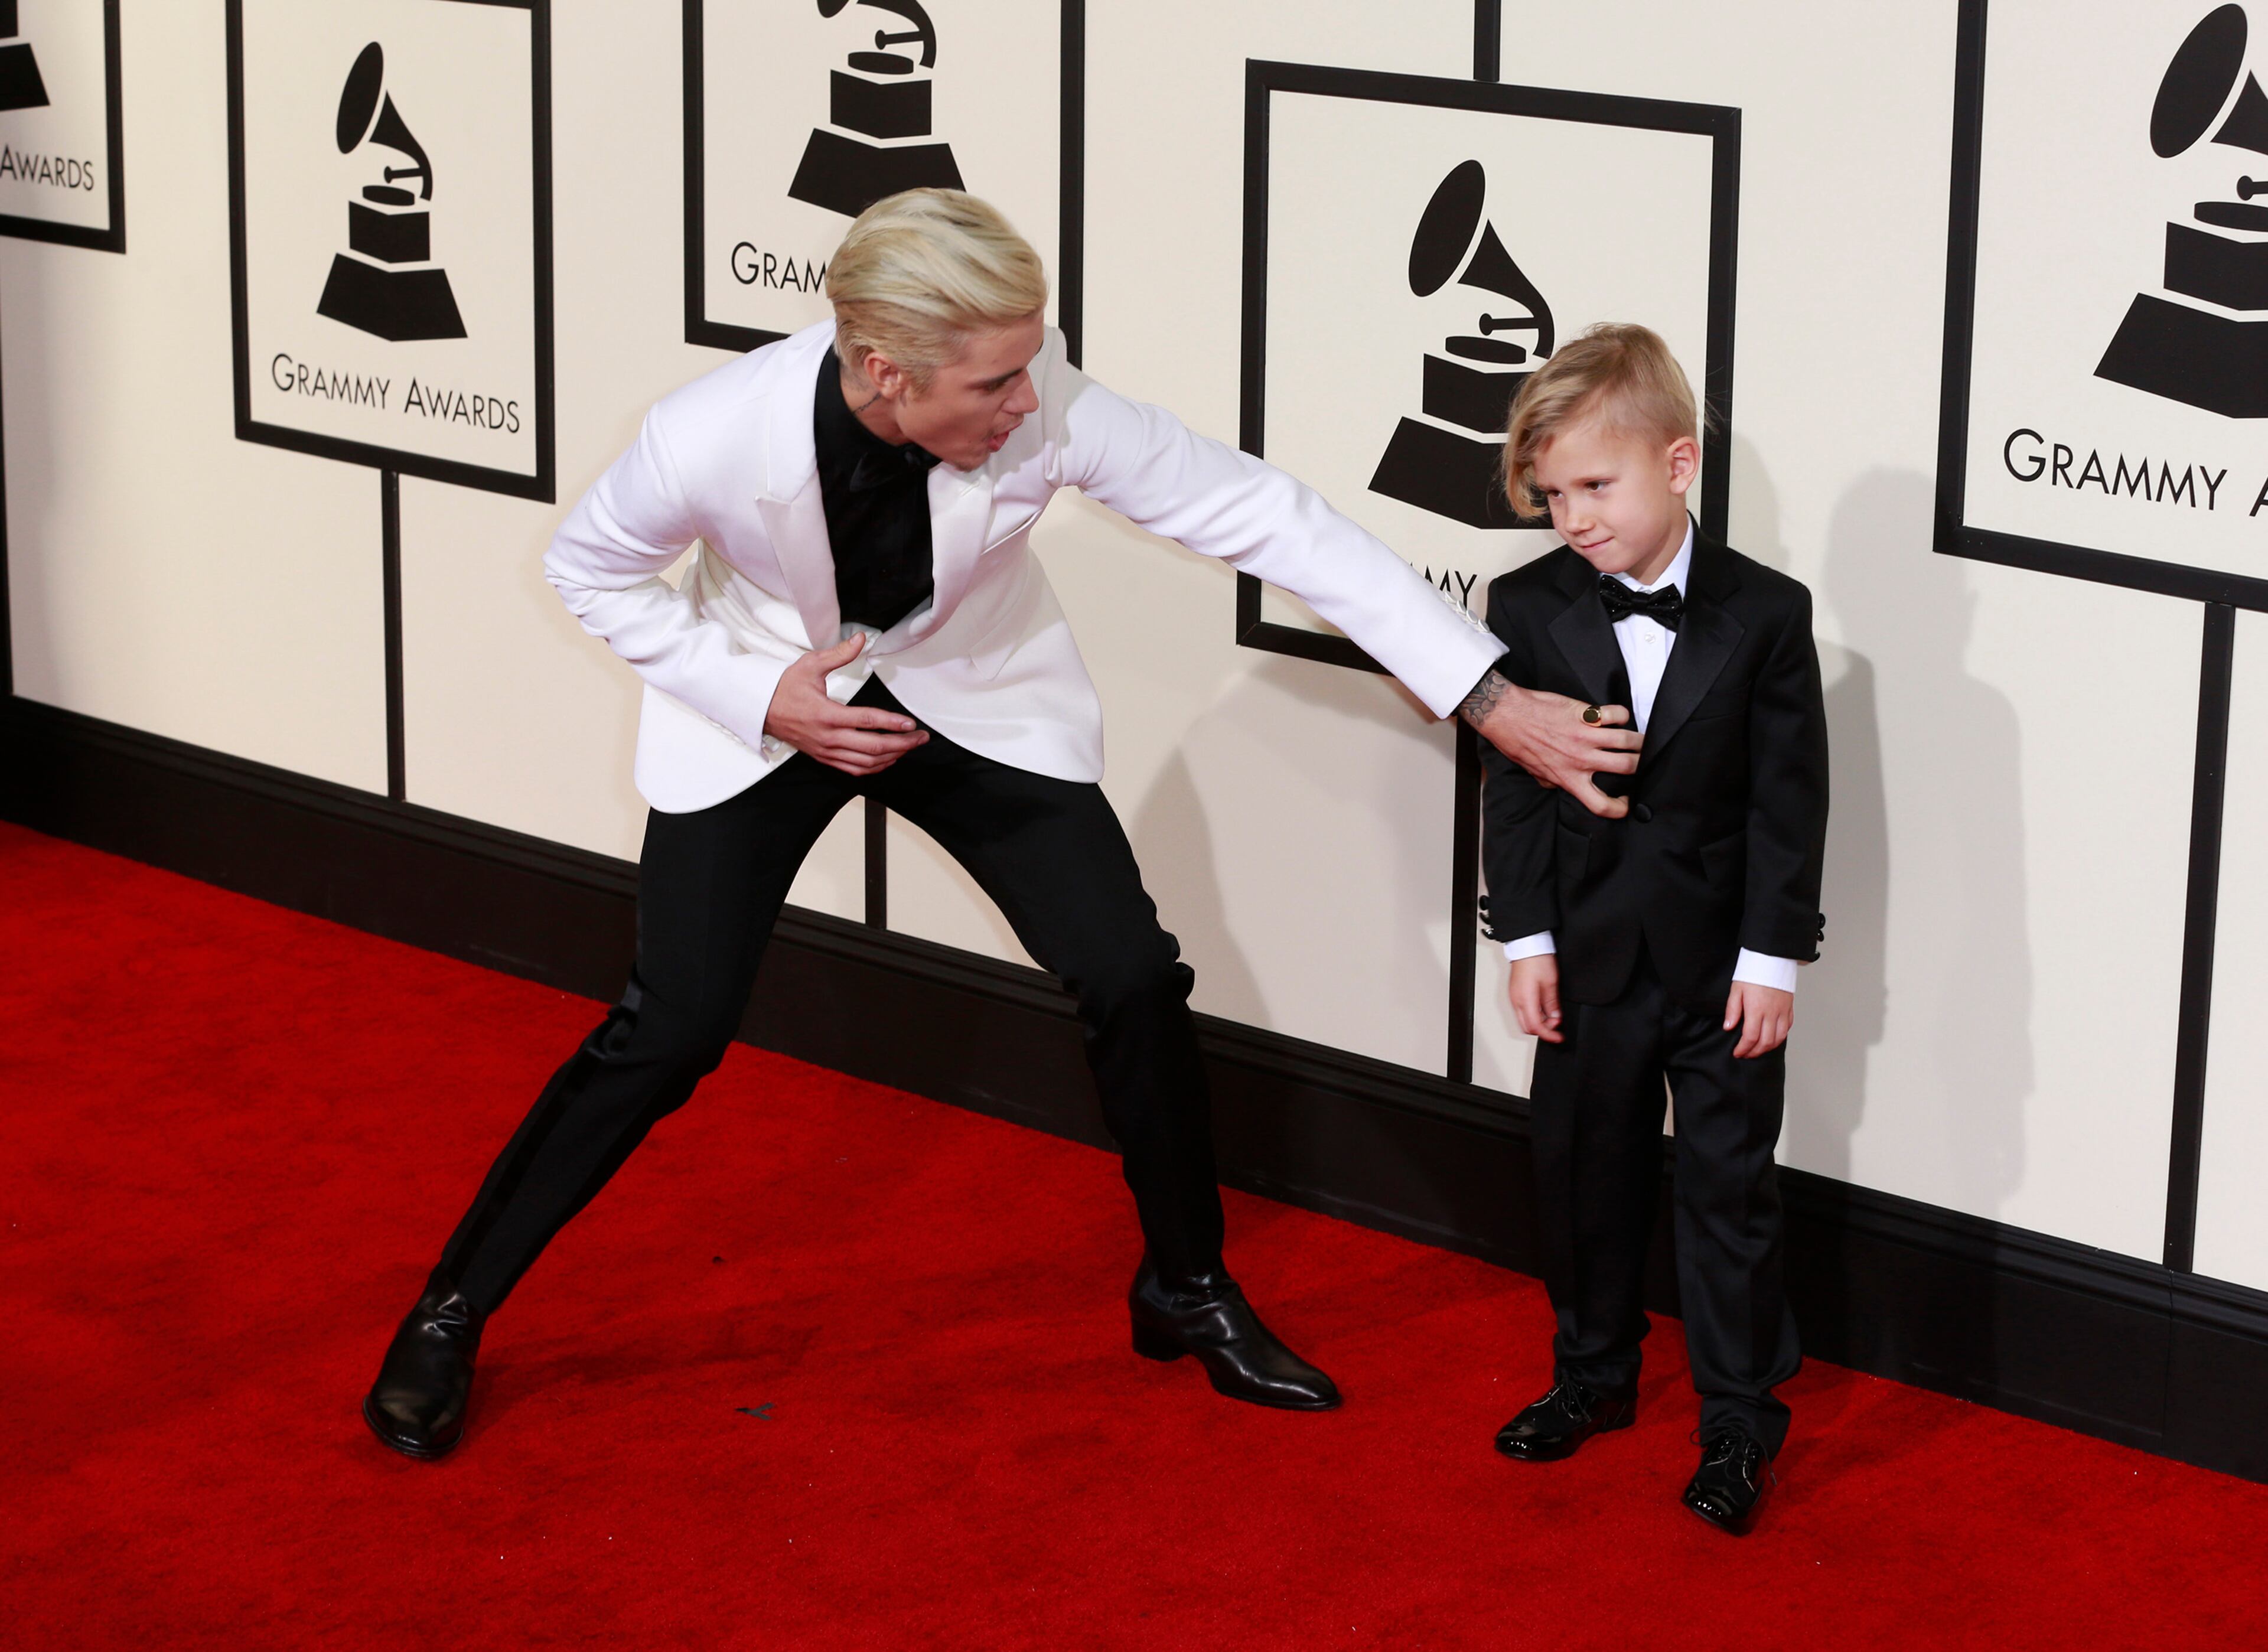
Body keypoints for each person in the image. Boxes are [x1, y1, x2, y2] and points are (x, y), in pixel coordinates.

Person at [363, 189, 1640, 1461]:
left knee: (1133, 973)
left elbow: (1269, 515)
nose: (1031, 400)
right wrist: (762, 694)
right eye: (994, 382)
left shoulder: (1048, 399)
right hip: (769, 702)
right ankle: (451, 1309)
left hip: (966, 691)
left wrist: (1485, 697)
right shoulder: (708, 437)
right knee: (675, 1024)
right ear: (885, 370)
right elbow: (587, 567)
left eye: (1033, 362)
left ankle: (1185, 1286)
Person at [1477, 325, 1827, 1534]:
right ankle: (1592, 1377)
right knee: (1584, 1176)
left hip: (1727, 969)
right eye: (1552, 491)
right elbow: (1514, 787)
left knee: (1729, 1194)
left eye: (1596, 485)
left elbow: (1792, 801)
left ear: (1678, 463)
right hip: (1585, 961)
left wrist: (1773, 957)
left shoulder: (1769, 614)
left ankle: (1738, 1419)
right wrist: (1525, 940)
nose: (1572, 516)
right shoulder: (1523, 605)